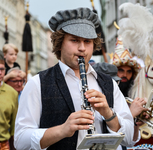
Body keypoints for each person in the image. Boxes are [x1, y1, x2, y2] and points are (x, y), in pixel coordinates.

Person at [14, 7, 139, 150]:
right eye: (74, 40)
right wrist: (62, 130)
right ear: (60, 43)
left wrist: (108, 114)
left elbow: (130, 140)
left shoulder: (108, 83)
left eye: (87, 41)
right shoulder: (38, 83)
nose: (82, 48)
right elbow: (20, 141)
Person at [0, 50, 18, 150]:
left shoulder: (12, 93)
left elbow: (14, 126)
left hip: (4, 145)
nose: (0, 73)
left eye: (2, 69)